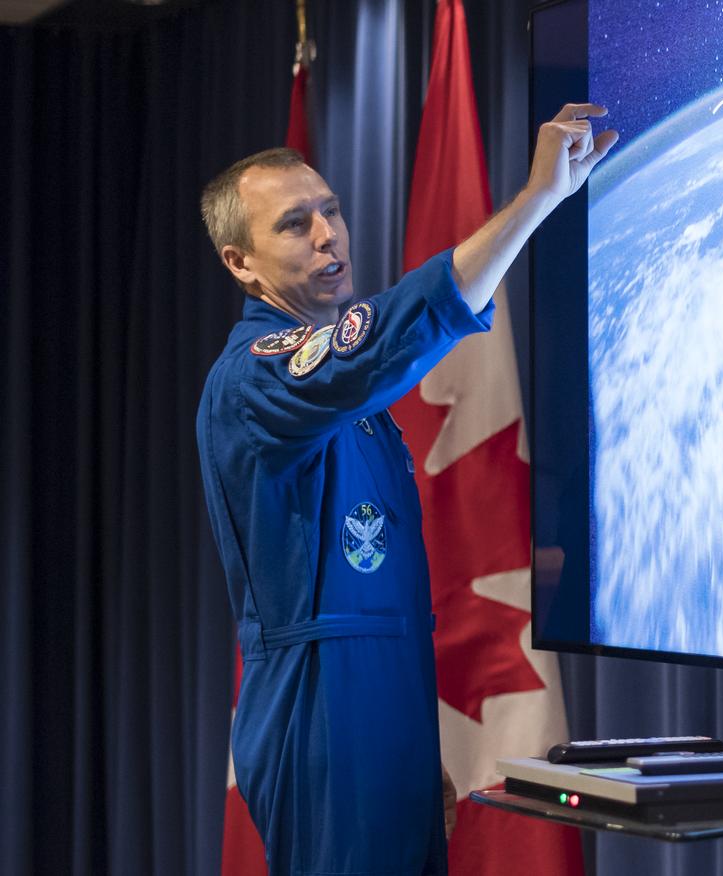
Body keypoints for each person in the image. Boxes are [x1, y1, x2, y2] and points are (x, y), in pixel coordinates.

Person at [196, 104, 617, 876]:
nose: (328, 235)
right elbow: (373, 346)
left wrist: (409, 753)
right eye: (295, 224)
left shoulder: (337, 394)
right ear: (240, 263)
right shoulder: (255, 377)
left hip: (382, 716)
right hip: (322, 711)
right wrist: (535, 202)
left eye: (331, 211)